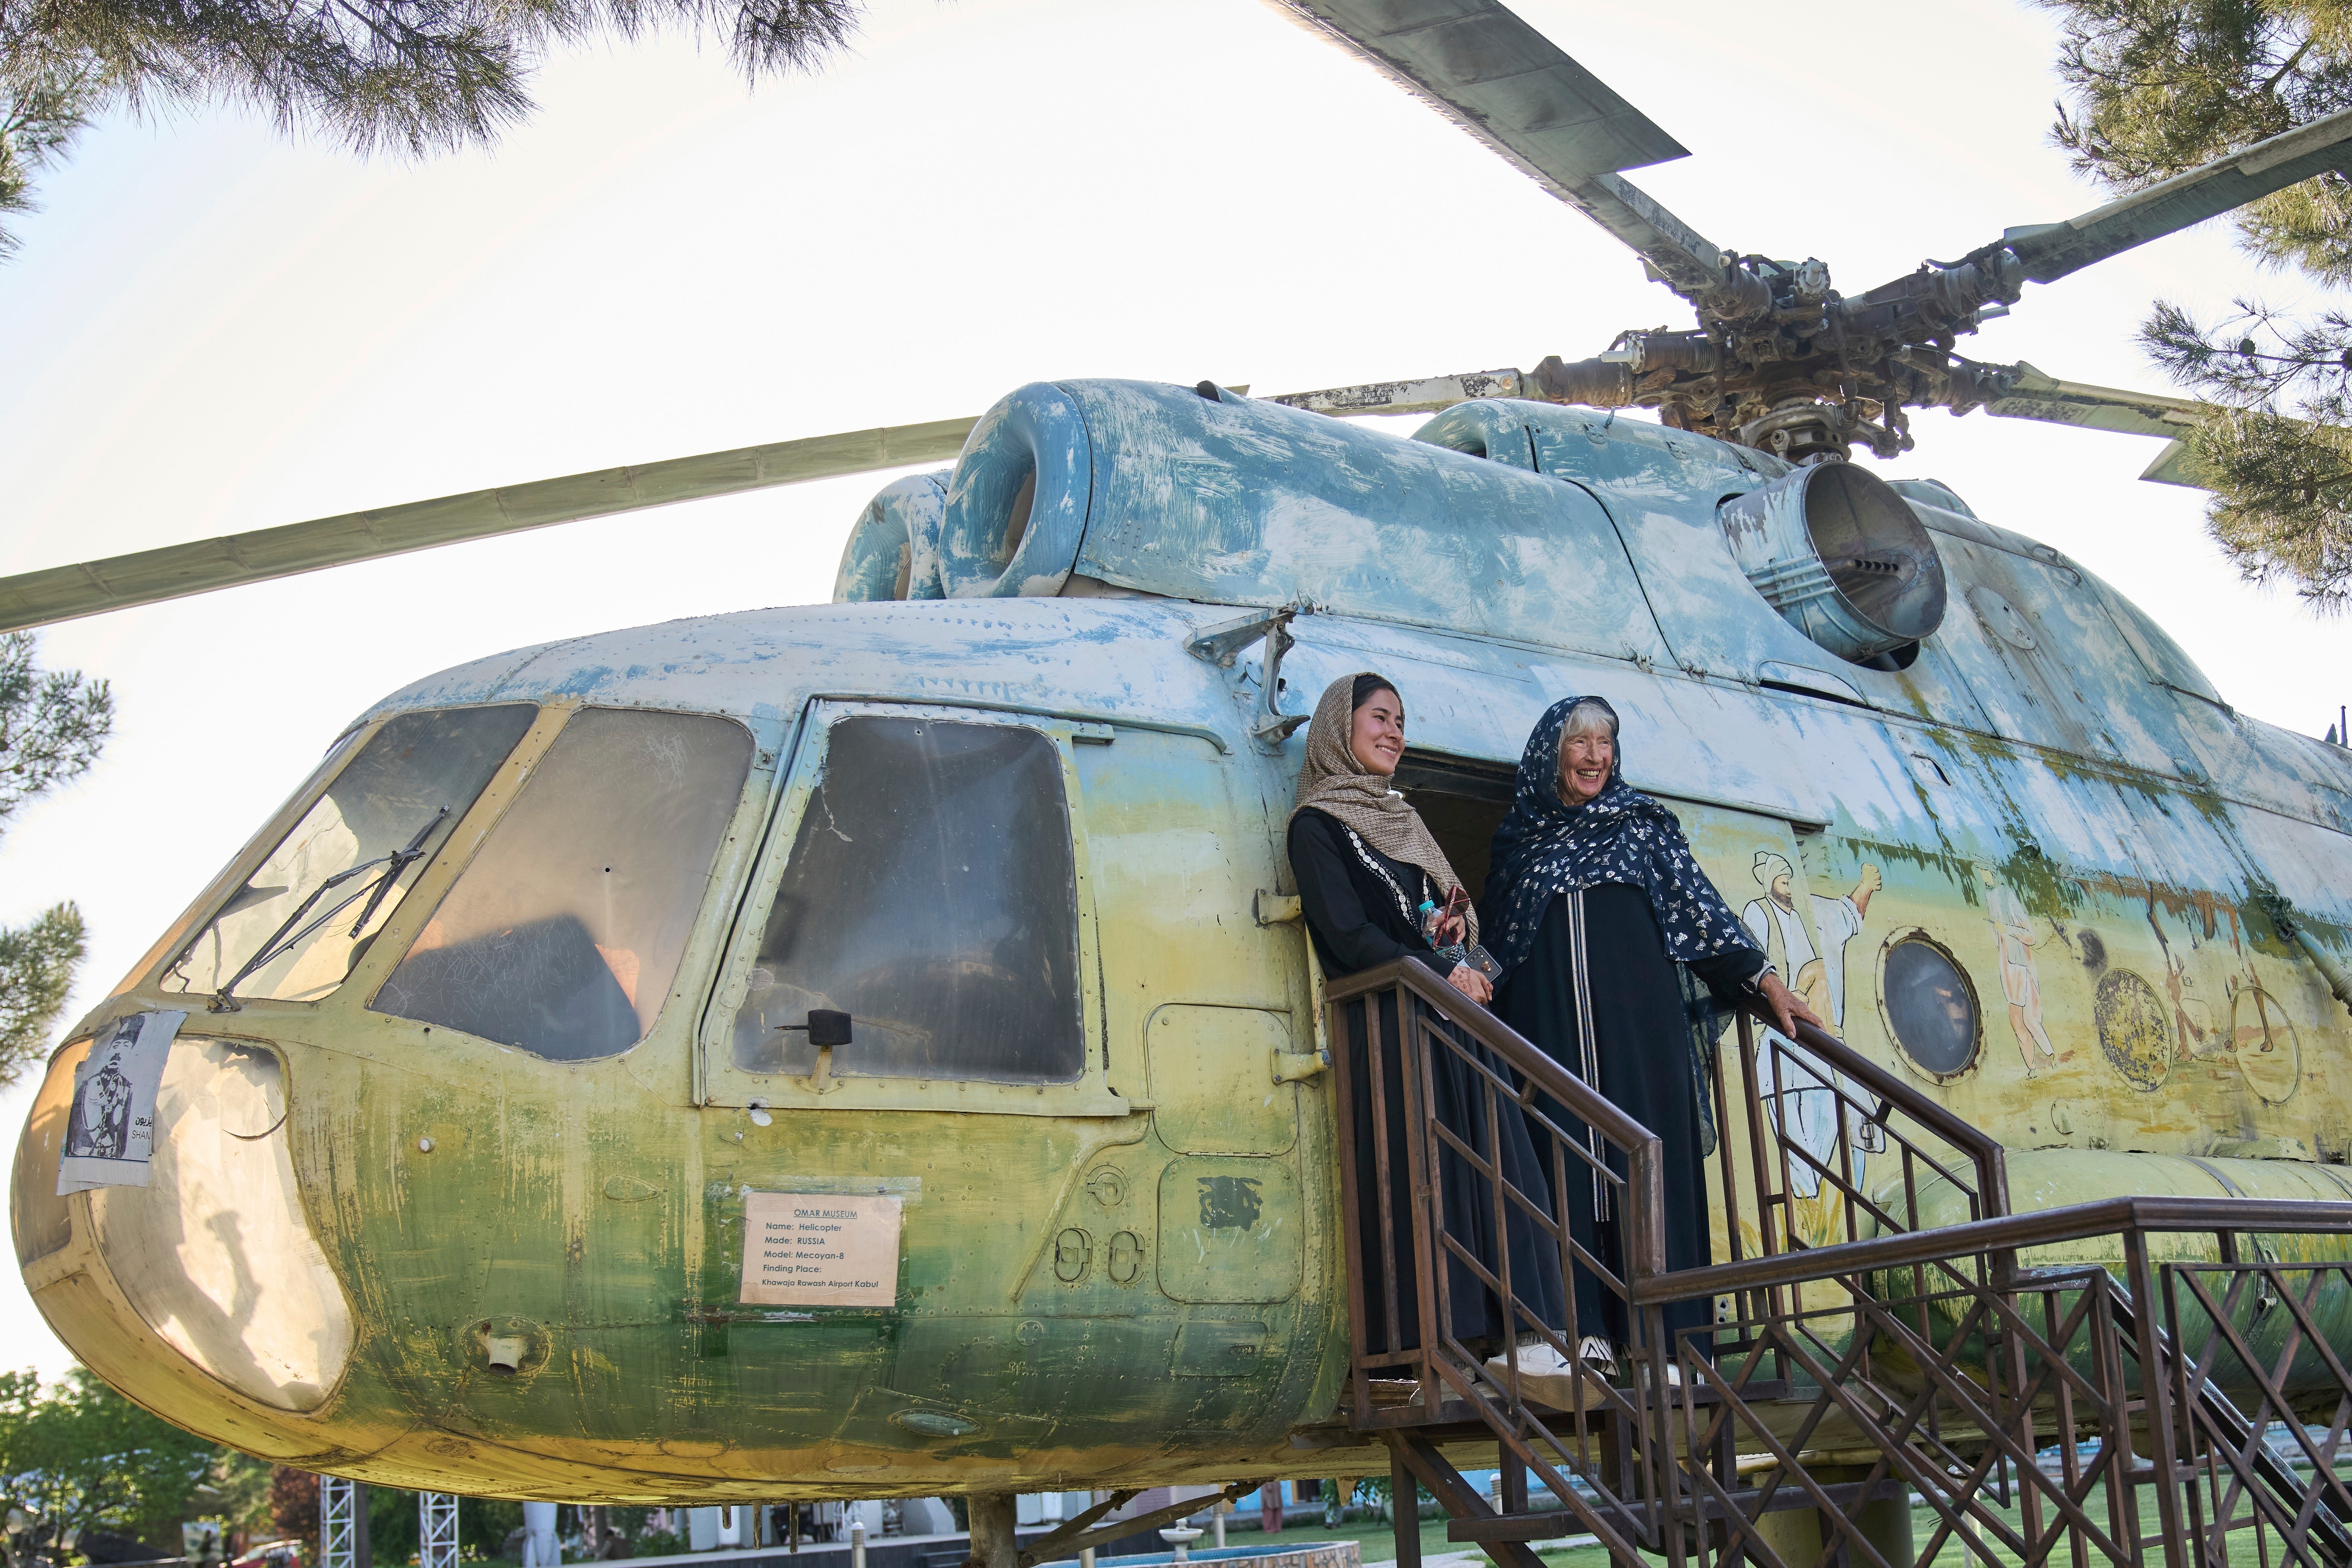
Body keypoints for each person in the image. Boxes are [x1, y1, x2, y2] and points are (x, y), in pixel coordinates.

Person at [1483, 694, 1818, 1382]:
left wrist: (1763, 978)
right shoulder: (1518, 849)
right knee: (1562, 1167)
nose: (1595, 758)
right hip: (1554, 1046)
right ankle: (1585, 1332)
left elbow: (1703, 916)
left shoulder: (1642, 830)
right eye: (1580, 744)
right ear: (1553, 753)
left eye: (1606, 743)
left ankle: (1669, 1346)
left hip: (1642, 1041)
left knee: (1649, 1173)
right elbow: (1503, 949)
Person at [1286, 672, 1573, 1402]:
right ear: (1337, 728)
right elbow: (1348, 935)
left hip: (1448, 1022)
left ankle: (1523, 1338)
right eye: (1379, 717)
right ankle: (1427, 1351)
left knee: (1496, 1168)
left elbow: (1434, 915)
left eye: (1401, 722)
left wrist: (1457, 949)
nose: (1393, 732)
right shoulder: (1317, 825)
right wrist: (1436, 972)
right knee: (1419, 1183)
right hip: (1391, 1028)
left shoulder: (1404, 820)